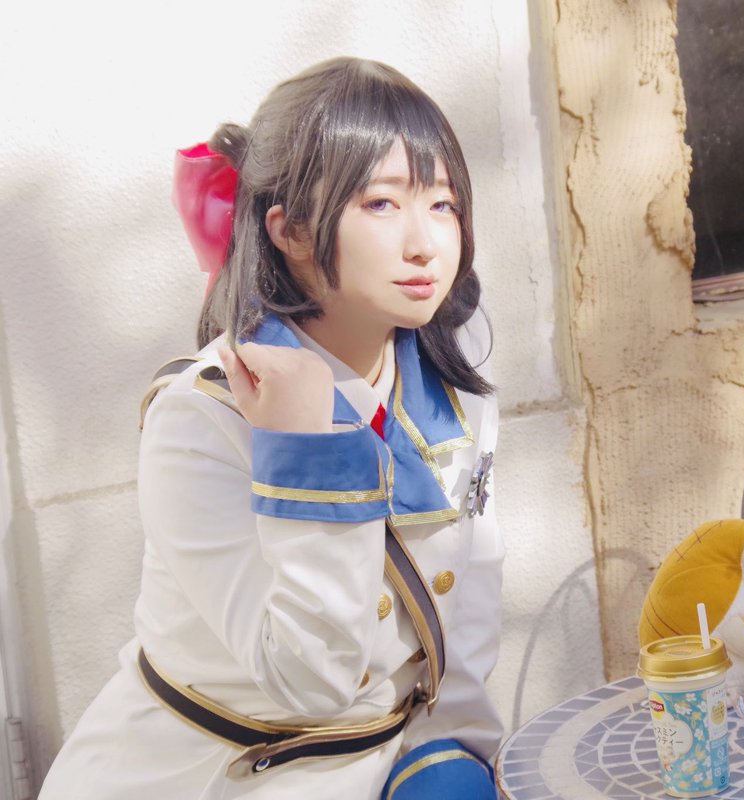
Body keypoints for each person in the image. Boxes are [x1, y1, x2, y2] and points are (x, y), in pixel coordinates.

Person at [39, 57, 503, 799]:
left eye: (443, 204)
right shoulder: (202, 415)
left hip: (382, 769)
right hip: (210, 778)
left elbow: (465, 614)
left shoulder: (453, 394)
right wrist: (307, 454)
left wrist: (458, 755)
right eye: (382, 203)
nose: (425, 243)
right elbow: (309, 679)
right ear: (291, 231)